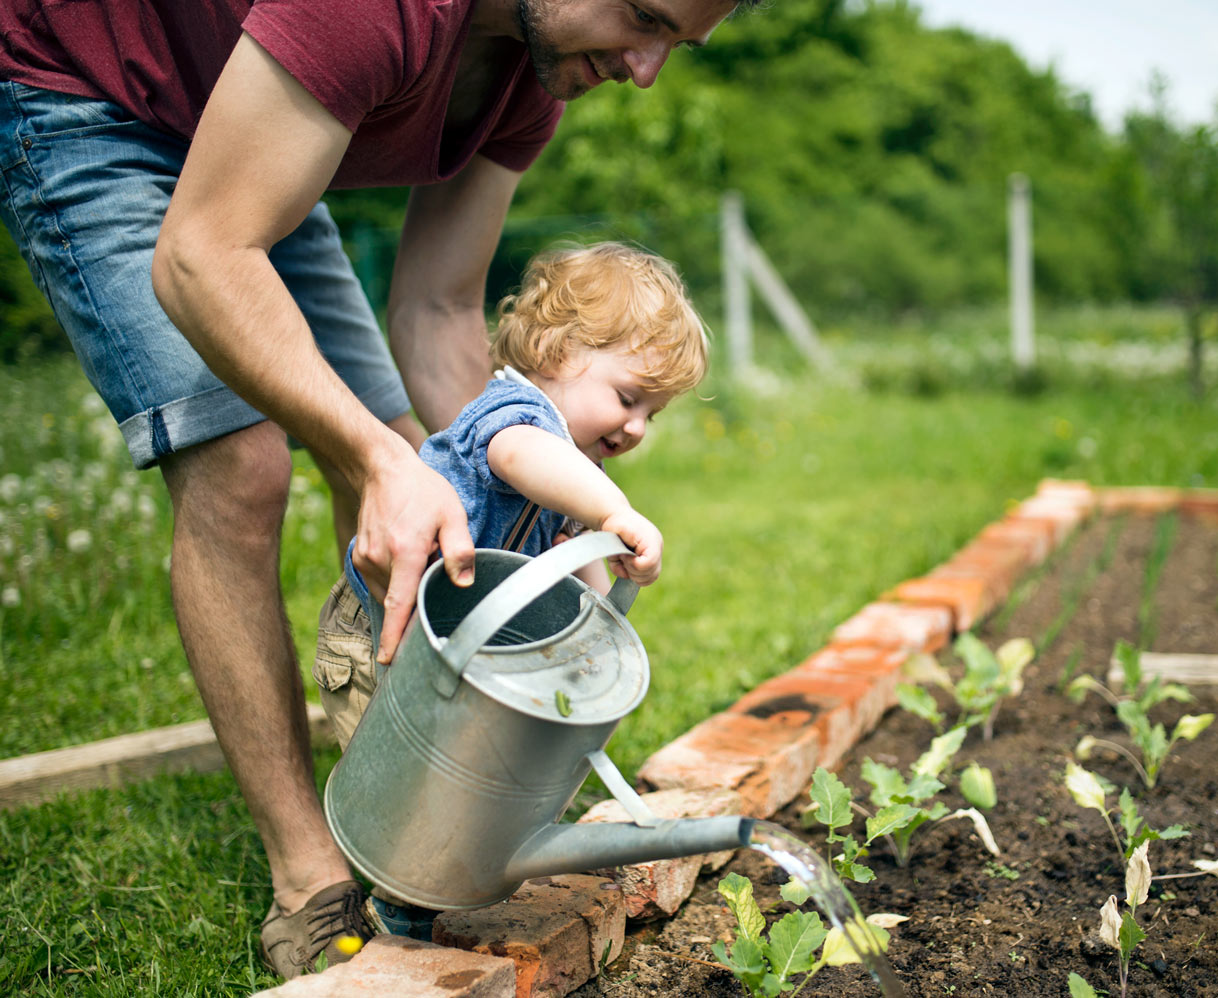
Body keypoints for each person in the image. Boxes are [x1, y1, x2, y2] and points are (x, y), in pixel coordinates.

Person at [0, 0, 745, 978]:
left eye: (676, 45)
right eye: (644, 15)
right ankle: (310, 874)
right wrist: (378, 463)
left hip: (242, 124)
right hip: (87, 95)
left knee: (412, 458)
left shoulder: (539, 63)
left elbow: (437, 312)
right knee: (243, 464)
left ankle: (408, 769)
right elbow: (201, 252)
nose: (646, 68)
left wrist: (466, 470)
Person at [315, 240, 706, 938]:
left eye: (655, 412)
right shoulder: (514, 418)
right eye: (628, 397)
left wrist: (599, 600)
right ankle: (394, 907)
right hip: (384, 638)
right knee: (404, 786)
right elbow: (521, 457)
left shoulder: (569, 462)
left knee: (466, 775)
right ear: (558, 353)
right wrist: (613, 510)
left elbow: (562, 556)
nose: (638, 426)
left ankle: (432, 889)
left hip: (458, 655)